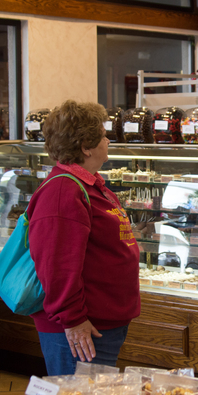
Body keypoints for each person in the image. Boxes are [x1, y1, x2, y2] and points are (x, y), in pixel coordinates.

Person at [27, 100, 140, 376]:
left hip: (100, 324)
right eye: (102, 135)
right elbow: (57, 266)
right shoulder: (63, 191)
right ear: (86, 147)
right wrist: (74, 320)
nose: (107, 140)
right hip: (80, 332)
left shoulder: (87, 183)